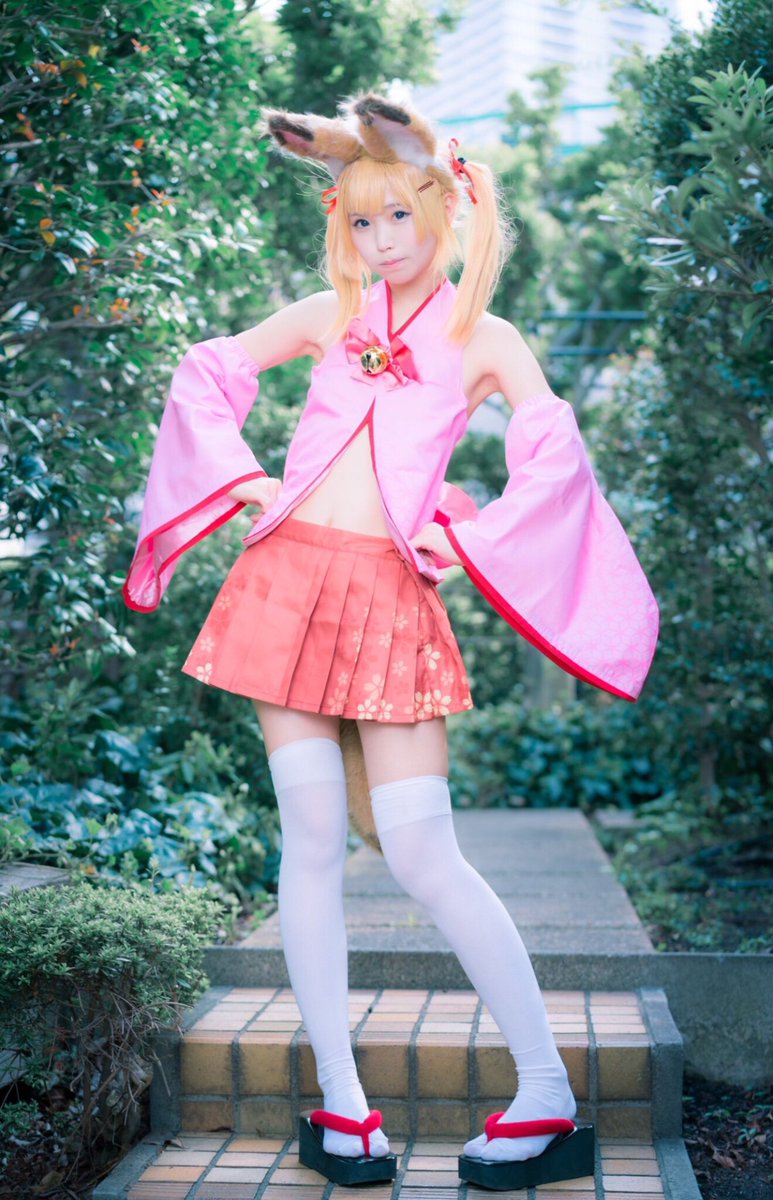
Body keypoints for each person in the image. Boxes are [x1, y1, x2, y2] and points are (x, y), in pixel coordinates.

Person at [123, 92, 659, 1190]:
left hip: (390, 600)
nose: (379, 241)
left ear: (444, 209)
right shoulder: (330, 314)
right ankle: (344, 1105)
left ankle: (546, 1094)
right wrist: (244, 484)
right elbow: (206, 372)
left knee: (422, 852)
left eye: (399, 215)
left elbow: (554, 460)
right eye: (359, 220)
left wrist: (468, 538)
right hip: (285, 585)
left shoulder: (483, 339)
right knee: (312, 841)